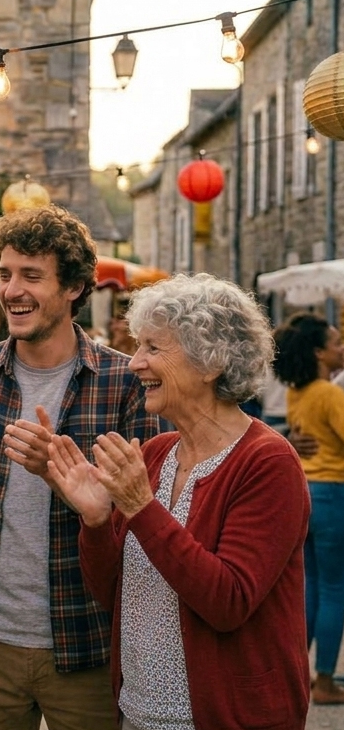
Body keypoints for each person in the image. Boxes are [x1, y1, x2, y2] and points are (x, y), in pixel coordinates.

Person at [0, 205, 159, 730]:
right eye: (4, 274)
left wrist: (80, 490)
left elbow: (150, 520)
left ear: (72, 287)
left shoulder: (124, 381)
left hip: (87, 640)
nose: (11, 290)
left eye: (31, 275)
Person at [49, 274, 311, 729]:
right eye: (137, 346)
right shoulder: (156, 452)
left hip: (227, 716)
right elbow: (113, 595)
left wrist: (141, 508)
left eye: (153, 347)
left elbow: (228, 601)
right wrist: (94, 522)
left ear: (209, 363)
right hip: (139, 712)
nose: (134, 363)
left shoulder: (268, 462)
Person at [273, 311, 344, 704]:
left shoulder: (298, 391)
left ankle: (297, 669)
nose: (341, 348)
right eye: (336, 343)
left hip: (308, 492)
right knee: (336, 590)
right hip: (335, 493)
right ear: (319, 353)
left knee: (312, 587)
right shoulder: (330, 393)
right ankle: (325, 680)